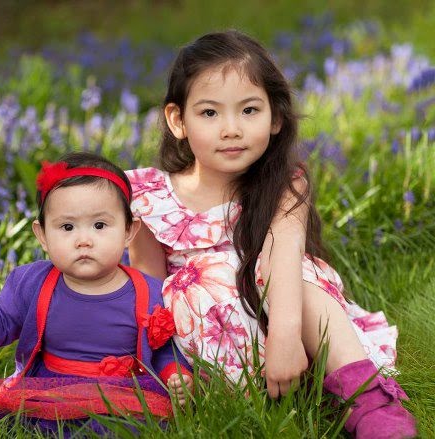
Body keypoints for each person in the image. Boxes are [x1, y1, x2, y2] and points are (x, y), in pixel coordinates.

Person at [126, 30, 417, 438]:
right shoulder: (150, 198)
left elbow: (284, 253)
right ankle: (261, 396)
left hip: (287, 323)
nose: (231, 129)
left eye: (249, 110)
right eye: (210, 113)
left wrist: (283, 338)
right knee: (189, 288)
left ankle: (368, 399)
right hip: (208, 348)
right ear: (178, 120)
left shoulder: (284, 184)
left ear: (275, 117)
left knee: (289, 271)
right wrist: (163, 365)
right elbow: (148, 293)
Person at [0, 152, 193, 433]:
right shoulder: (33, 281)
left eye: (100, 226)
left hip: (120, 395)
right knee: (12, 423)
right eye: (67, 227)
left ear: (128, 231)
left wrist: (176, 374)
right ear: (43, 236)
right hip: (50, 388)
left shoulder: (146, 291)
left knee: (124, 428)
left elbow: (162, 349)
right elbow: (3, 315)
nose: (83, 240)